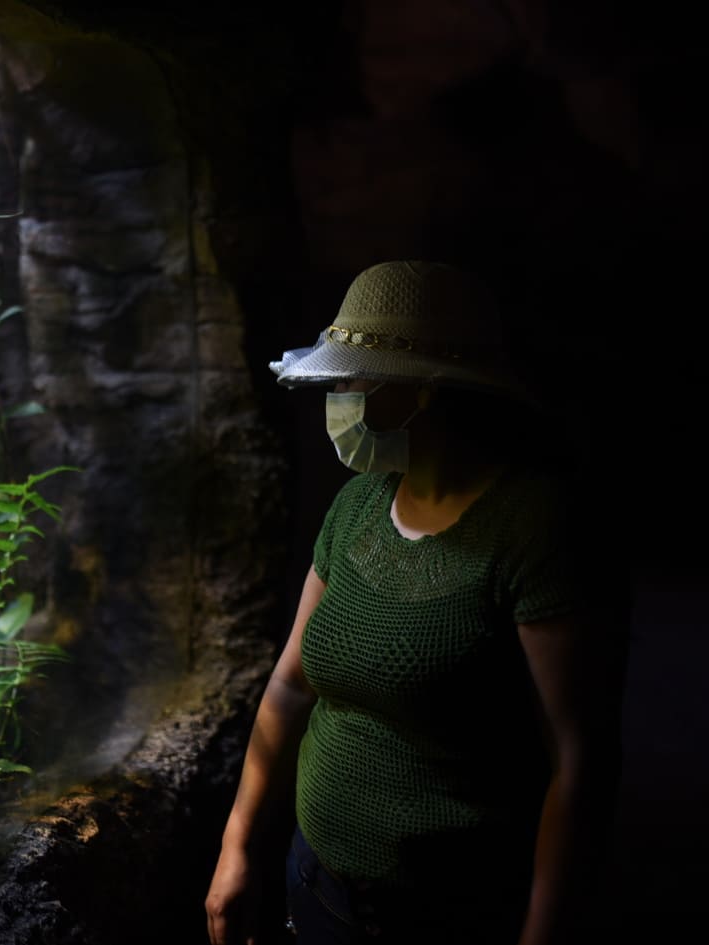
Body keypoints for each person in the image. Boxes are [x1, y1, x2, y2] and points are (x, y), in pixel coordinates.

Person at [204, 260, 628, 945]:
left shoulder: (534, 526)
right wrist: (237, 846)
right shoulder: (359, 505)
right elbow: (288, 686)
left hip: (449, 914)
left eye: (355, 375)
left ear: (425, 391)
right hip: (313, 884)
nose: (338, 394)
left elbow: (580, 760)